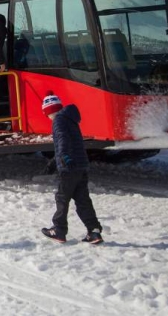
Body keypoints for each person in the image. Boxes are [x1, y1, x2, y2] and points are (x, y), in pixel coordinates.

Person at [40, 91, 104, 244]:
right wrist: (54, 161)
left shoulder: (58, 121)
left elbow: (62, 140)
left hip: (69, 166)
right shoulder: (70, 119)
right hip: (81, 164)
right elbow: (71, 142)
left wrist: (64, 158)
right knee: (83, 200)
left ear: (49, 111)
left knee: (62, 197)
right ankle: (94, 231)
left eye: (46, 114)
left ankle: (59, 230)